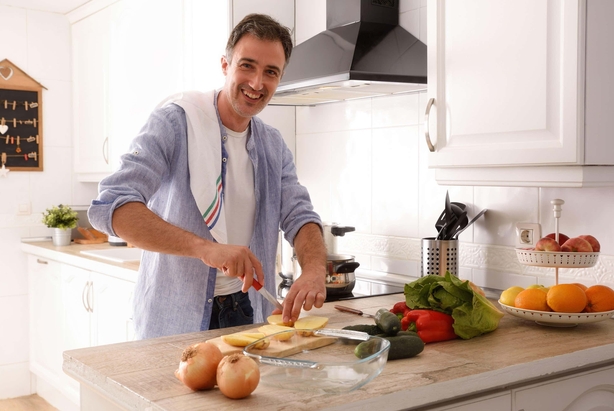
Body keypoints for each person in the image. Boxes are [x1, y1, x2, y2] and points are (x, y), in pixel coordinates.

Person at [88, 13, 327, 339]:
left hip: (249, 312)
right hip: (176, 317)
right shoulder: (175, 124)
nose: (257, 83)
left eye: (270, 72)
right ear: (225, 65)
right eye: (247, 65)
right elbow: (111, 206)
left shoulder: (273, 145)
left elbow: (300, 216)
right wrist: (206, 249)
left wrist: (313, 270)